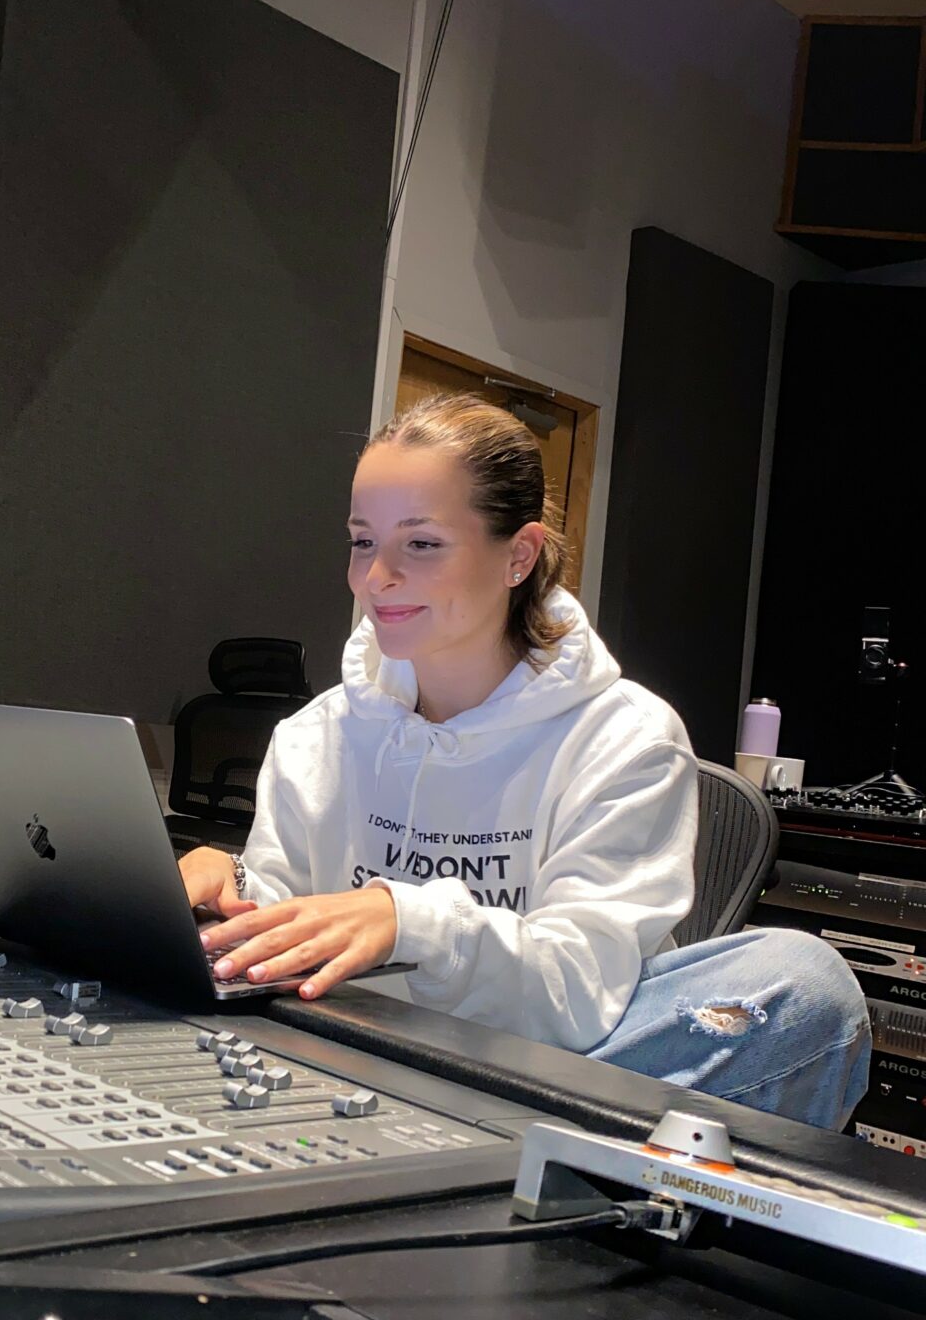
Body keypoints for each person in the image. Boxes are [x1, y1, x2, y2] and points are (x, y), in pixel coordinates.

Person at [179, 392, 868, 1129]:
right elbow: (283, 931)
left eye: (421, 544)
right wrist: (230, 894)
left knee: (802, 985)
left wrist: (412, 922)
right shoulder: (316, 734)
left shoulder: (626, 737)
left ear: (519, 555)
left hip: (542, 1060)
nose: (376, 577)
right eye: (361, 541)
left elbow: (579, 995)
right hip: (355, 1040)